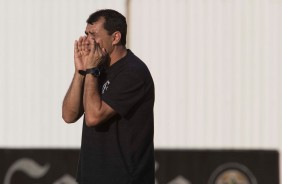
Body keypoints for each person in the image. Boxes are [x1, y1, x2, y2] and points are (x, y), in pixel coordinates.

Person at [62, 9, 155, 184]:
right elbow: (68, 115)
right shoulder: (96, 69)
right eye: (86, 34)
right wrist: (80, 72)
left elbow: (93, 117)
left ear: (115, 38)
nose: (88, 41)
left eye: (94, 35)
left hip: (124, 179)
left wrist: (90, 71)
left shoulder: (133, 72)